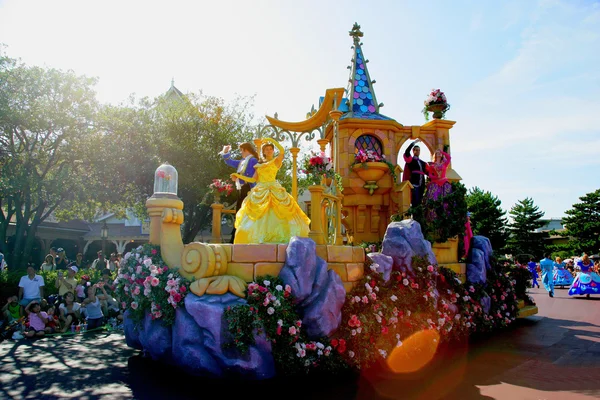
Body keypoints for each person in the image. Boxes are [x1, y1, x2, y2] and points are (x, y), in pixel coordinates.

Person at [232, 137, 310, 244]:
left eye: (270, 149)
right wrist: (238, 176)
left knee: (279, 212)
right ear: (263, 151)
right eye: (266, 149)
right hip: (260, 189)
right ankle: (258, 237)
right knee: (258, 213)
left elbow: (282, 151)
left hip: (274, 188)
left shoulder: (276, 161)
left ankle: (279, 237)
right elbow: (253, 179)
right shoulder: (258, 165)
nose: (268, 150)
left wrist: (271, 140)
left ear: (273, 151)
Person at [221, 142, 259, 243]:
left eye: (241, 150)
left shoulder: (253, 160)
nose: (241, 152)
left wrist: (237, 176)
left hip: (248, 189)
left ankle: (239, 238)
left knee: (243, 213)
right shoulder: (243, 161)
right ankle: (237, 237)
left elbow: (252, 177)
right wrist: (225, 152)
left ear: (245, 149)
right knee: (240, 213)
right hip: (241, 189)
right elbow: (229, 161)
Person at [423, 148, 452, 223]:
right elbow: (429, 174)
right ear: (434, 155)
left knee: (446, 201)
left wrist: (442, 152)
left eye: (439, 153)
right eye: (436, 153)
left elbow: (449, 158)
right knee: (433, 200)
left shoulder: (444, 163)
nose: (438, 154)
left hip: (444, 184)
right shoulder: (431, 165)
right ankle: (433, 219)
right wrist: (434, 177)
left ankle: (446, 218)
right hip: (435, 183)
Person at [402, 139, 429, 208]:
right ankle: (414, 216)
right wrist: (414, 143)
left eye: (419, 150)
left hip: (421, 184)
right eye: (416, 150)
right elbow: (407, 152)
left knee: (420, 201)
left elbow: (428, 172)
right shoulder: (411, 160)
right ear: (413, 151)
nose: (417, 151)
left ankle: (419, 217)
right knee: (415, 200)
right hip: (414, 183)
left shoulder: (423, 163)